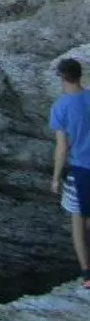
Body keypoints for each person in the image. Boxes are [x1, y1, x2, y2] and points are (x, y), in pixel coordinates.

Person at [49, 57, 90, 289]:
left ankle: (87, 276)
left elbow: (62, 148)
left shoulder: (60, 107)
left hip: (81, 170)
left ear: (62, 77)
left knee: (78, 226)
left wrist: (55, 178)